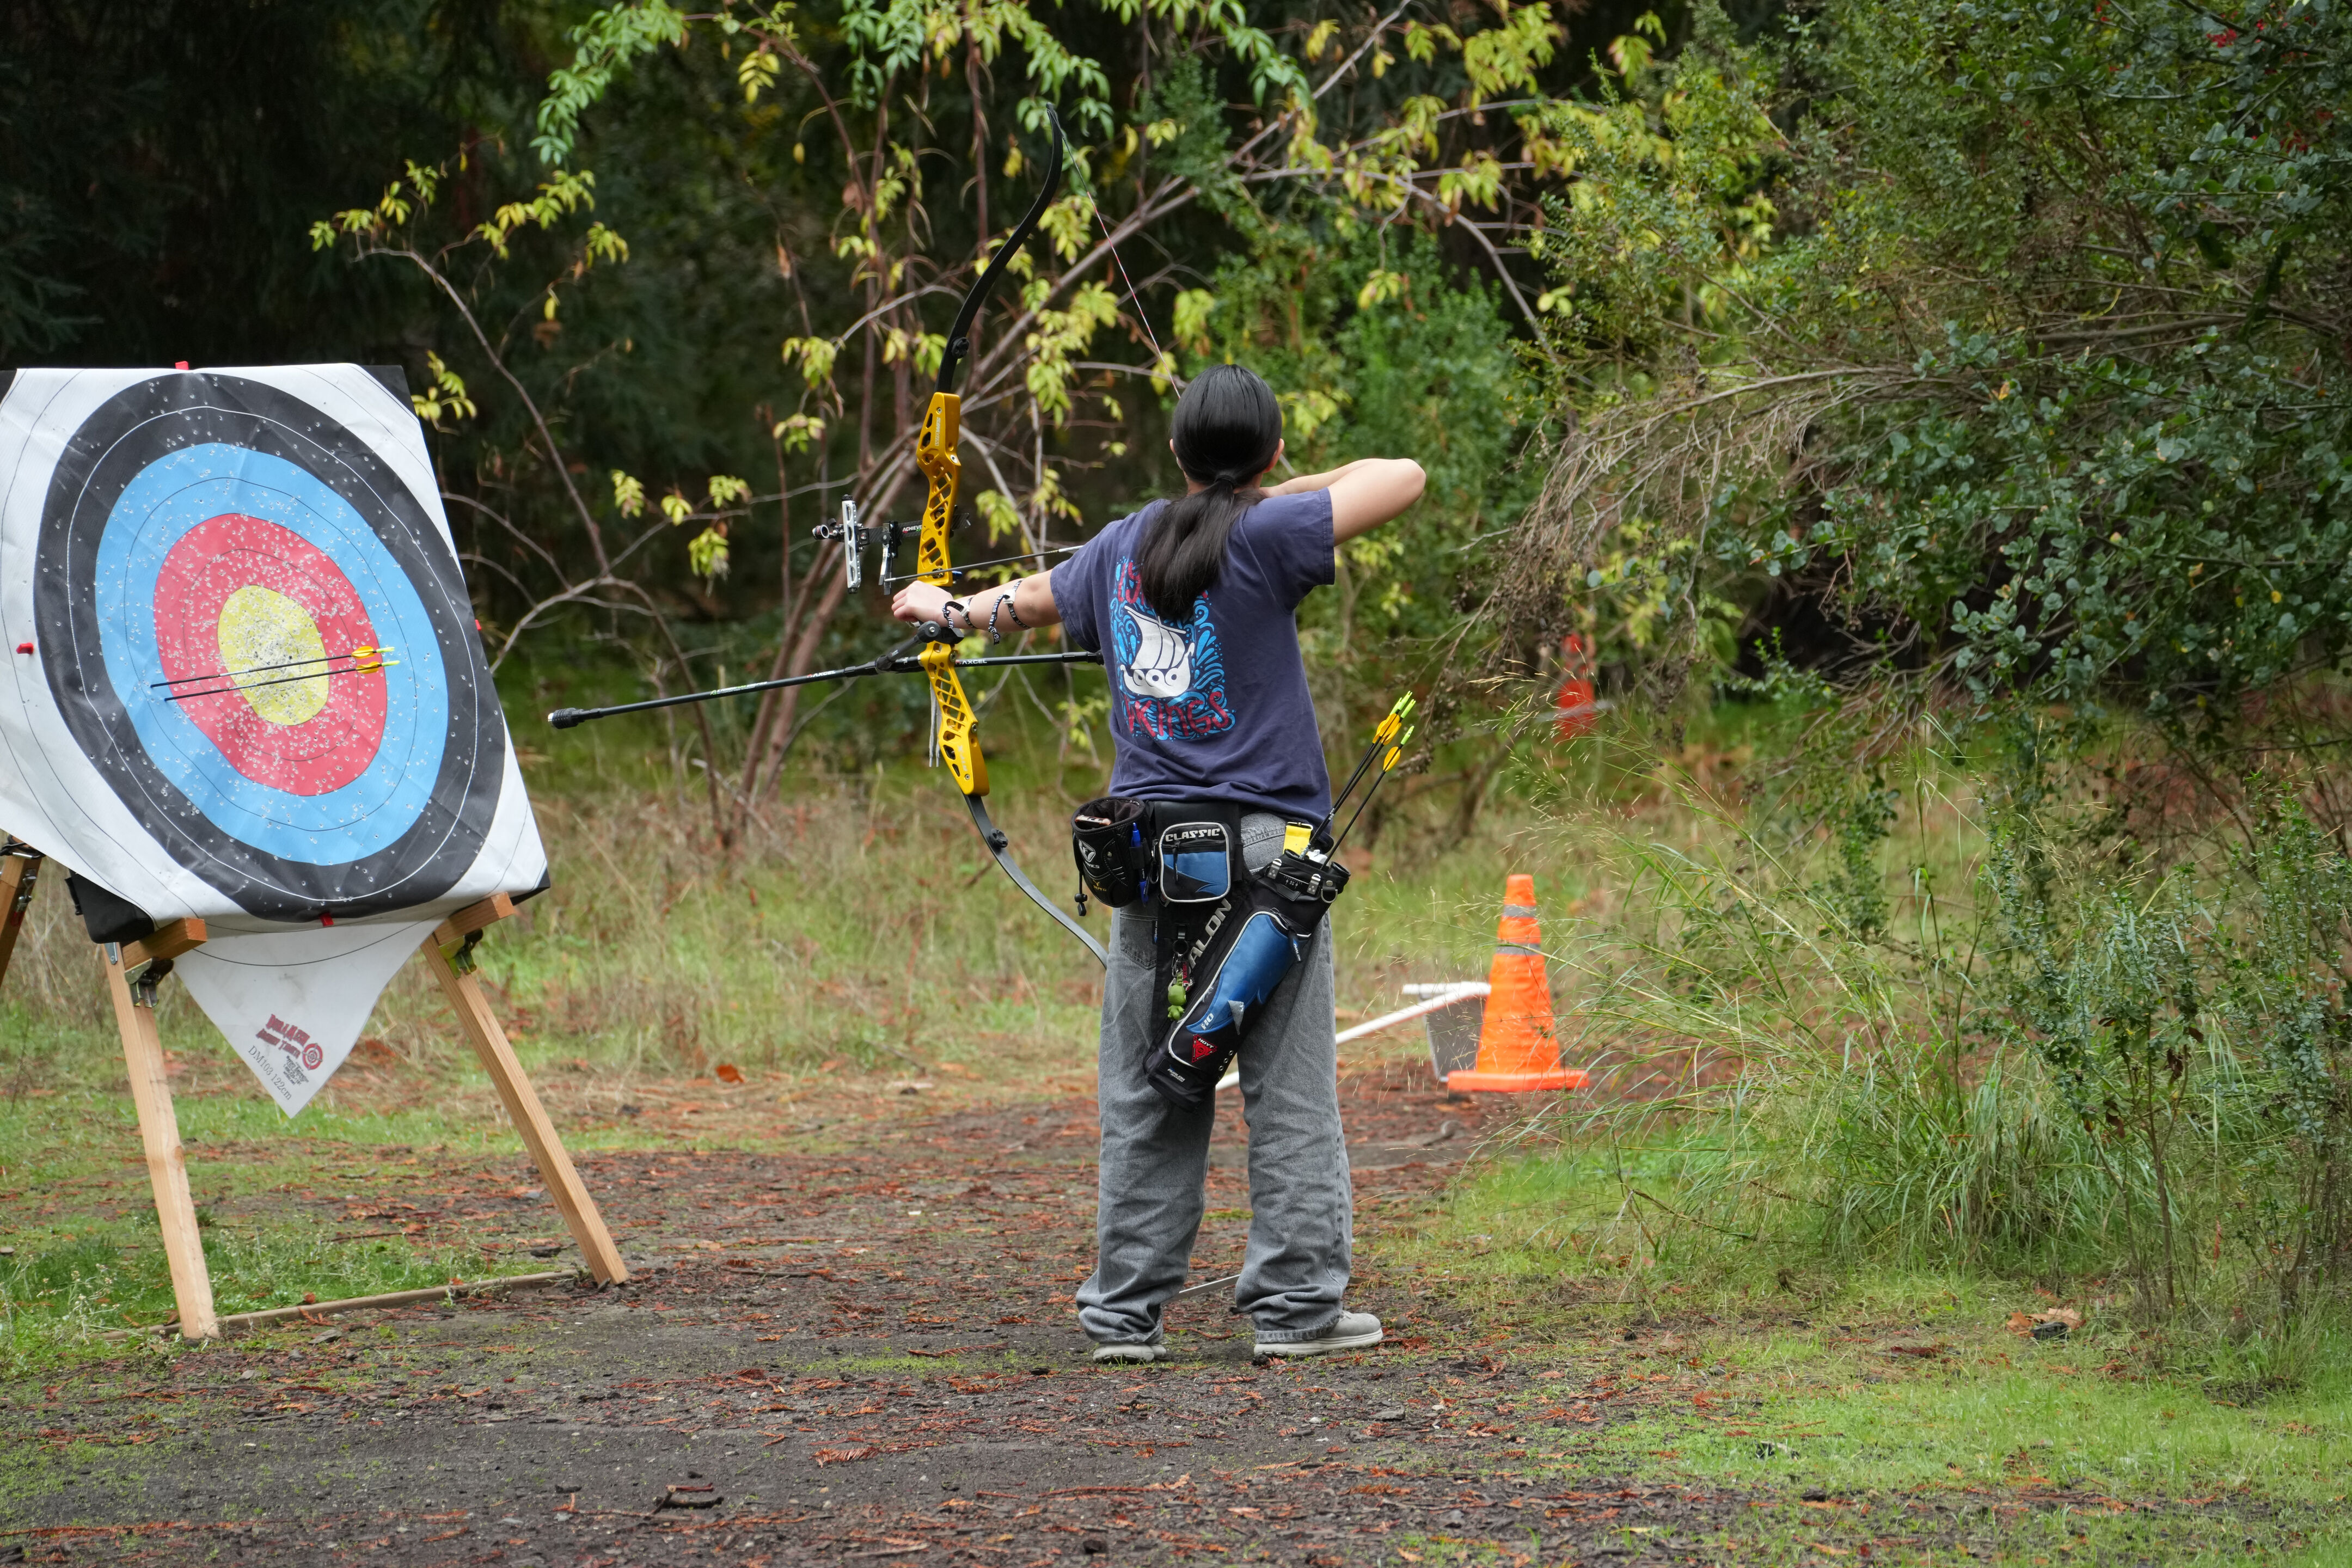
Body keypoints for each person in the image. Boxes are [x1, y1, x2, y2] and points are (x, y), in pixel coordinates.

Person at [892, 363, 1425, 1361]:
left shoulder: (1120, 545)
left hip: (1154, 855)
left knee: (1151, 1079)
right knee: (1288, 1085)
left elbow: (1030, 601)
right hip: (1268, 857)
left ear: (1176, 453)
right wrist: (1273, 490)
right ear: (1269, 456)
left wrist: (948, 609)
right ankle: (1300, 1312)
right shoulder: (1268, 531)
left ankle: (1124, 1316)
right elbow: (1402, 475)